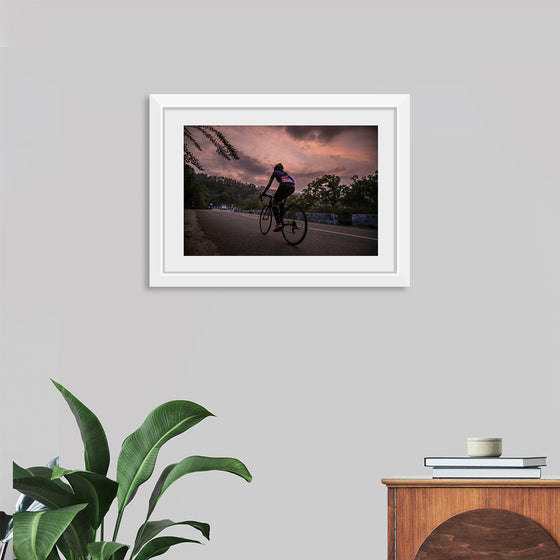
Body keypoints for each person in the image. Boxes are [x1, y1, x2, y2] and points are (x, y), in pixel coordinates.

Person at [260, 163, 295, 232]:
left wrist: (263, 193)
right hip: (292, 187)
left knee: (274, 203)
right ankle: (282, 219)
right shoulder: (286, 174)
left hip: (284, 186)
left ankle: (278, 224)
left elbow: (269, 184)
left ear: (275, 169)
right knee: (280, 202)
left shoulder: (275, 172)